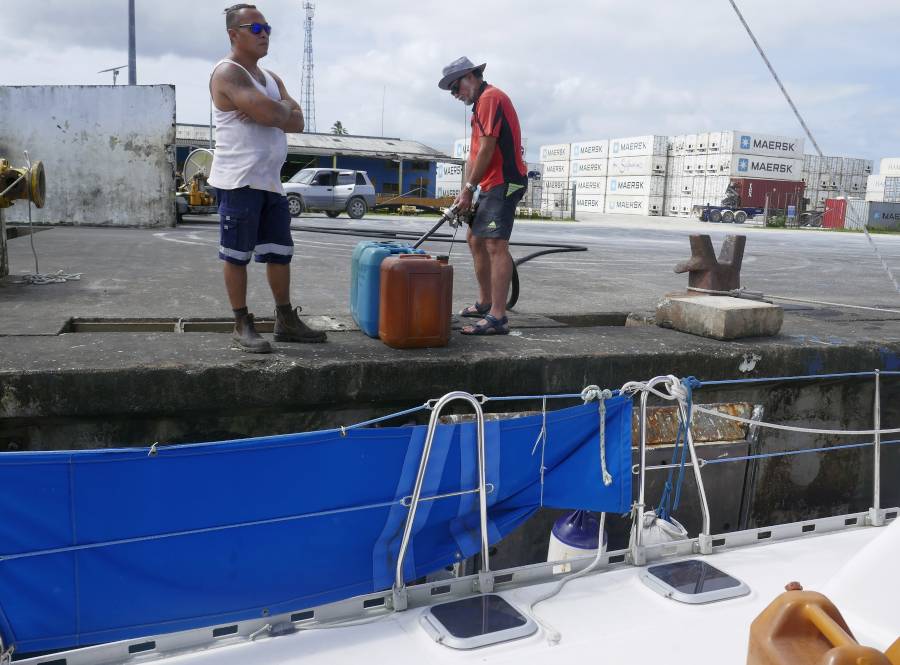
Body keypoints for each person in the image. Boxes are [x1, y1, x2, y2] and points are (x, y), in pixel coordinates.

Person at [208, 3, 326, 353]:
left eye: (267, 28)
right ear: (234, 34)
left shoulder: (272, 79)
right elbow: (275, 112)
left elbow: (294, 120)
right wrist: (275, 112)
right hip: (238, 180)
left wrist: (275, 112)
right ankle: (241, 322)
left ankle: (285, 319)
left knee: (279, 252)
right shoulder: (227, 73)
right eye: (255, 29)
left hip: (270, 182)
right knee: (236, 254)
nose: (264, 35)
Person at [439, 57, 528, 335]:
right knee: (475, 238)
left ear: (471, 77)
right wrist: (464, 190)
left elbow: (489, 148)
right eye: (453, 92)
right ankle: (485, 301)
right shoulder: (479, 106)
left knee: (494, 244)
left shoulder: (490, 98)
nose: (456, 95)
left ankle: (498, 316)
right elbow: (474, 154)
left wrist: (470, 189)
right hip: (491, 182)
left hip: (506, 180)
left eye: (456, 88)